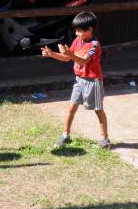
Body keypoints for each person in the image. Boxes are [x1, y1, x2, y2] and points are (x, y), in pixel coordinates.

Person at [41, 11, 111, 149]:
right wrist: (52, 54)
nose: (76, 33)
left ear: (90, 29)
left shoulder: (94, 44)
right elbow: (67, 58)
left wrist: (69, 54)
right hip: (79, 80)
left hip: (93, 81)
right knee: (71, 108)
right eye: (76, 30)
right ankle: (65, 135)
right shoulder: (77, 41)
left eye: (79, 31)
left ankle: (105, 138)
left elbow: (83, 61)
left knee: (98, 109)